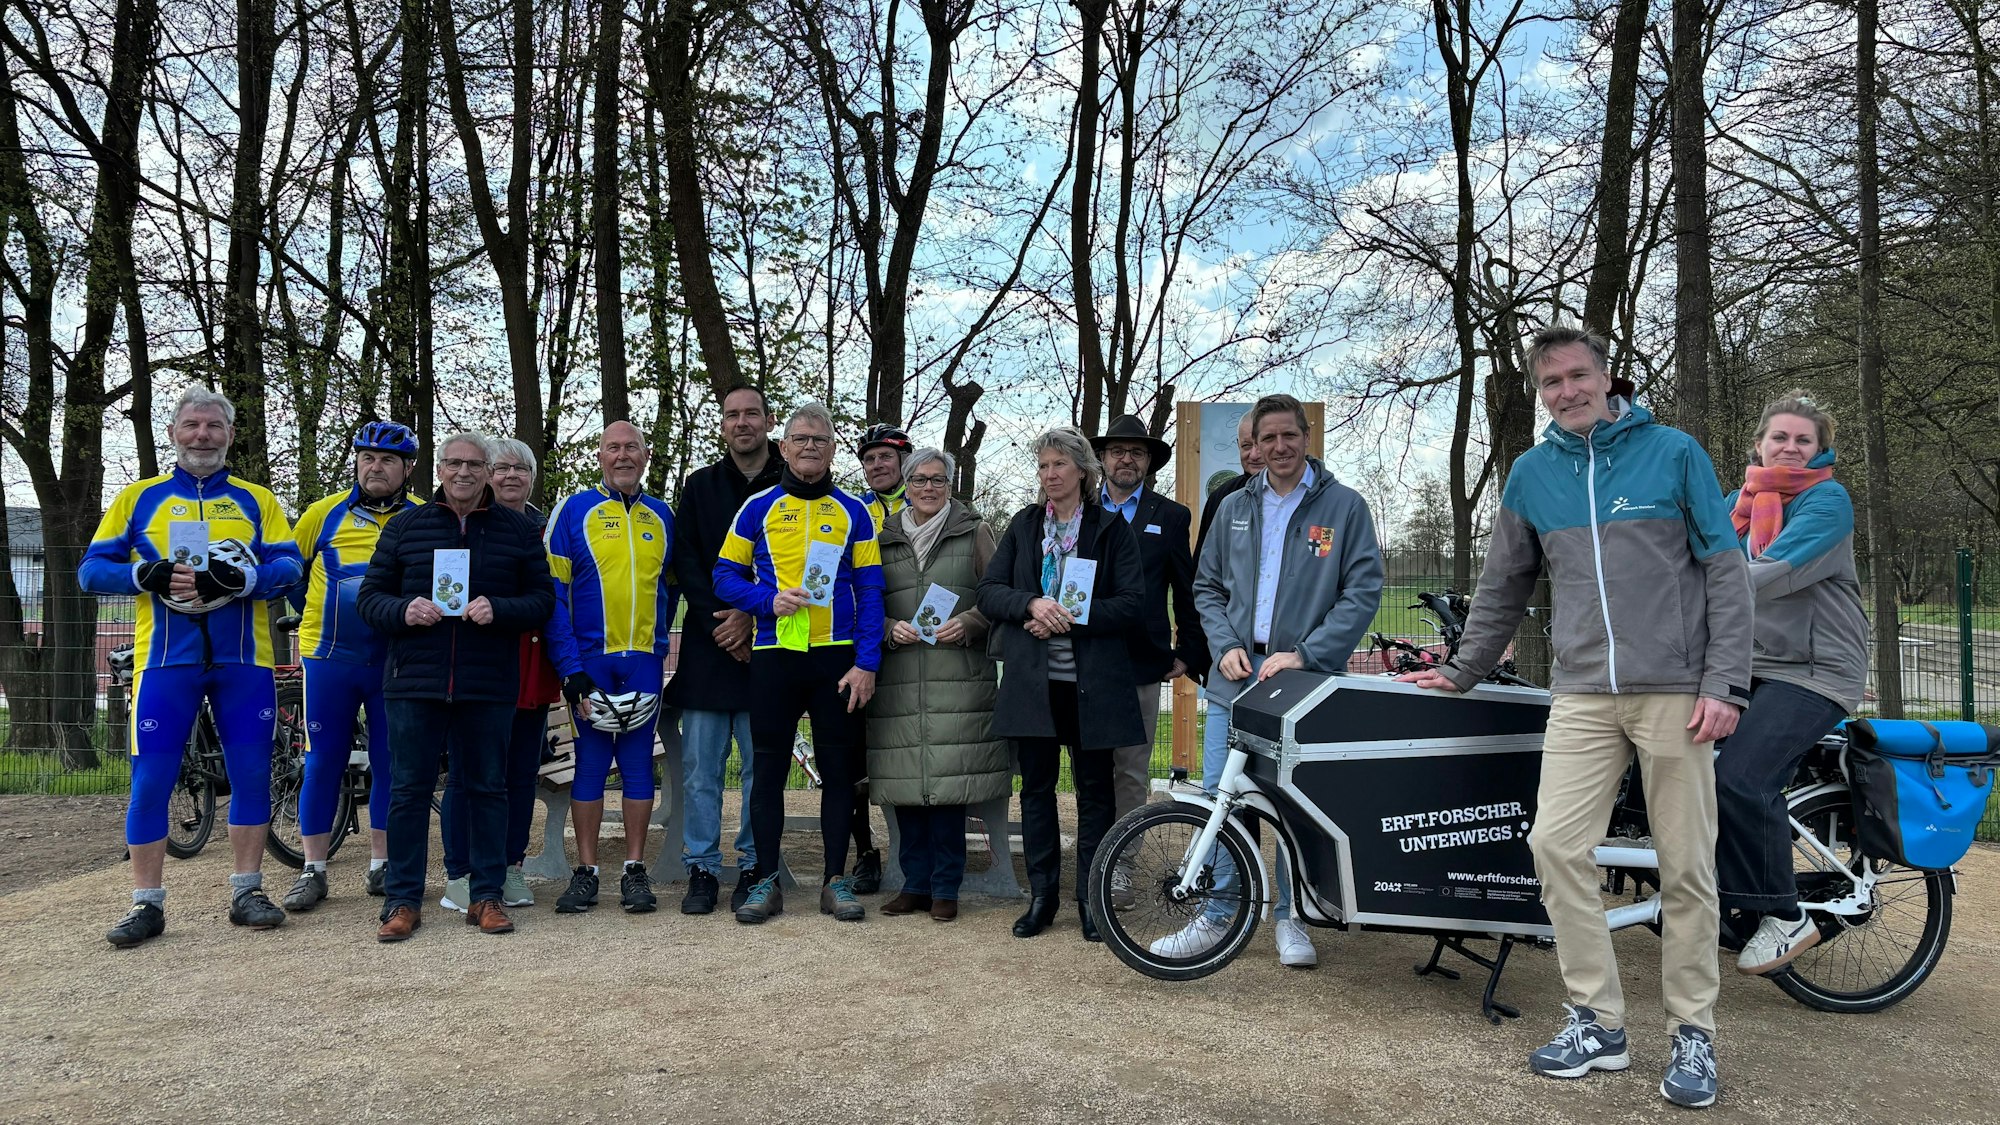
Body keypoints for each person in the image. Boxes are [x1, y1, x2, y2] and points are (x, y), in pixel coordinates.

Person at [1400, 326, 1752, 1109]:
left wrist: (1725, 683)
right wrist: (1460, 671)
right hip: (1584, 693)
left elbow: (1726, 571)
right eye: (1551, 382)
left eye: (1577, 375)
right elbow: (1502, 584)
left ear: (1605, 376)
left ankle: (1693, 1030)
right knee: (1555, 844)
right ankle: (1600, 1019)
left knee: (1687, 863)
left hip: (1676, 688)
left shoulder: (1673, 452)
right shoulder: (1531, 473)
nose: (1566, 391)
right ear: (1540, 393)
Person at [1163, 393, 1385, 970]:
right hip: (1233, 678)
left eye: (1289, 436)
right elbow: (1205, 587)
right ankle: (1217, 915)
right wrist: (1225, 645)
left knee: (1291, 804)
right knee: (1222, 800)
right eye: (1268, 439)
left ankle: (1291, 917)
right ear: (1254, 445)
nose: (1279, 448)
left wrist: (1306, 654)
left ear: (1305, 437)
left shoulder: (1344, 508)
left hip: (1302, 682)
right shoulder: (1234, 506)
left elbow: (1360, 594)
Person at [82, 386, 306, 947]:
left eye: (213, 427)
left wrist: (246, 579)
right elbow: (90, 570)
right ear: (174, 433)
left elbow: (290, 563)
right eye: (191, 426)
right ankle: (146, 905)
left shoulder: (257, 500)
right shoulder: (139, 498)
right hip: (163, 664)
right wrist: (145, 575)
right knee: (151, 783)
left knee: (253, 776)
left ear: (231, 435)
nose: (202, 436)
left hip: (245, 661)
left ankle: (247, 891)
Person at [358, 433, 555, 941]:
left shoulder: (515, 530)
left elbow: (542, 599)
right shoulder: (406, 526)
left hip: (487, 680)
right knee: (408, 791)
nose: (463, 472)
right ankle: (402, 899)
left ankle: (486, 896)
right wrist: (404, 610)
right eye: (453, 463)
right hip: (413, 681)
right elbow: (371, 599)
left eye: (474, 464)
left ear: (488, 471)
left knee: (489, 788)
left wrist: (500, 608)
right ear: (438, 469)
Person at [715, 402, 885, 924]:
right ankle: (766, 879)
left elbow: (872, 590)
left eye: (821, 440)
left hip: (838, 661)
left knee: (838, 773)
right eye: (800, 439)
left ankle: (836, 880)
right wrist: (766, 602)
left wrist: (868, 663)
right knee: (766, 770)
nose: (810, 447)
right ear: (782, 447)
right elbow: (723, 577)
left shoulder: (853, 511)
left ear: (833, 451)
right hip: (774, 655)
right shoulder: (756, 507)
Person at [1717, 393, 1867, 976]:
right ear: (1759, 444)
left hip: (1815, 670)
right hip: (1749, 663)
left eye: (1803, 440)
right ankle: (1726, 904)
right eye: (1780, 437)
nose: (1790, 447)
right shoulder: (1738, 504)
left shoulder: (1827, 501)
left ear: (1819, 449)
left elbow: (1763, 577)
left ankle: (1783, 913)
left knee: (1743, 777)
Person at [978, 426, 1145, 942]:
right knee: (1037, 792)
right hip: (1034, 686)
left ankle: (1091, 901)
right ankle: (1043, 898)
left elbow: (1132, 603)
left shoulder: (1110, 530)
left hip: (1090, 687)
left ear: (1083, 471)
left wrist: (1069, 615)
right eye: (1043, 467)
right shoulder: (1024, 526)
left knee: (1095, 794)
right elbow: (990, 591)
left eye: (1059, 466)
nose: (1050, 475)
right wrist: (1031, 604)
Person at [279, 421, 424, 914]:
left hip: (397, 662)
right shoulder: (323, 514)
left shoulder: (424, 517)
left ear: (407, 469)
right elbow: (290, 574)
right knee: (322, 760)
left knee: (391, 762)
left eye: (387, 460)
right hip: (329, 658)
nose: (375, 466)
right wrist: (309, 614)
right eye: (367, 458)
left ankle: (381, 864)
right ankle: (313, 869)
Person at [542, 421, 680, 915]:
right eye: (613, 447)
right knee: (592, 767)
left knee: (640, 765)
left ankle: (635, 871)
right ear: (599, 455)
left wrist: (659, 643)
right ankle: (586, 872)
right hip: (590, 662)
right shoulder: (575, 509)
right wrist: (570, 666)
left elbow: (674, 586)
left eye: (632, 448)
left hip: (643, 660)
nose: (623, 455)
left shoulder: (663, 515)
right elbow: (552, 594)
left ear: (646, 456)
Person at [867, 448, 1009, 922]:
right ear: (905, 484)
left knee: (948, 790)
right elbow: (862, 600)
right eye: (920, 479)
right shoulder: (879, 537)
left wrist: (970, 621)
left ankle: (946, 886)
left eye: (938, 480)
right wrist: (889, 627)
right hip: (900, 682)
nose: (929, 488)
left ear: (951, 485)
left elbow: (998, 595)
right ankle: (914, 884)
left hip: (958, 682)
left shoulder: (975, 531)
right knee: (907, 785)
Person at [667, 384, 781, 913]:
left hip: (774, 646)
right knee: (700, 769)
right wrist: (725, 620)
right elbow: (687, 560)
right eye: (732, 415)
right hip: (710, 648)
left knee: (763, 767)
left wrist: (750, 614)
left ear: (768, 420)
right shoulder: (700, 485)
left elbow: (806, 570)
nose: (742, 423)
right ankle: (702, 868)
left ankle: (755, 864)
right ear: (723, 425)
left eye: (751, 414)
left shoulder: (794, 482)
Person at [437, 436, 561, 911]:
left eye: (521, 469)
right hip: (475, 668)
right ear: (488, 474)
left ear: (532, 478)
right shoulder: (471, 525)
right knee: (468, 773)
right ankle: (461, 871)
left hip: (531, 668)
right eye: (503, 468)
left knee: (520, 773)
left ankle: (510, 866)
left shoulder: (544, 528)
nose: (511, 477)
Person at [1089, 414, 1209, 833]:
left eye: (1137, 453)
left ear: (1148, 462)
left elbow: (1187, 588)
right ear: (1102, 458)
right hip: (1084, 658)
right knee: (1091, 770)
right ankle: (1092, 858)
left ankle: (1119, 865)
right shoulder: (1080, 510)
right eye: (1118, 451)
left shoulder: (1172, 516)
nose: (1127, 460)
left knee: (1132, 770)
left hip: (1141, 661)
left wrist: (1189, 652)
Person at [845, 422, 913, 891]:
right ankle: (865, 852)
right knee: (851, 760)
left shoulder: (927, 500)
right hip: (861, 643)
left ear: (904, 460)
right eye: (869, 459)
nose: (877, 465)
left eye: (886, 456)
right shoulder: (852, 511)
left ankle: (912, 854)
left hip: (912, 644)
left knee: (907, 753)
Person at [1194, 410, 1264, 553]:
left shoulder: (1304, 492)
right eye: (1247, 446)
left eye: (1261, 445)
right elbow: (1203, 565)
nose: (1254, 455)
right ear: (1238, 445)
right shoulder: (1221, 497)